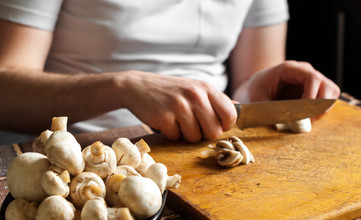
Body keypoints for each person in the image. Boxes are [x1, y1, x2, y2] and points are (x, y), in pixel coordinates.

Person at [0, 0, 340, 144]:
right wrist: (121, 86)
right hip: (84, 153)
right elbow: (6, 89)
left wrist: (257, 90)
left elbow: (246, 90)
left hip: (204, 148)